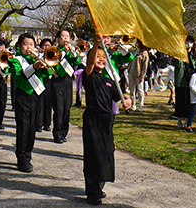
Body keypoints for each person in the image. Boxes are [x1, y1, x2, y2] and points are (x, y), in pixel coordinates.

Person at [82, 35, 132, 205]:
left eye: (104, 57)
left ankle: (99, 186)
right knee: (93, 155)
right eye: (98, 57)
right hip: (92, 120)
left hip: (106, 120)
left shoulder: (108, 80)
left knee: (105, 154)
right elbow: (89, 63)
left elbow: (119, 96)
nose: (101, 60)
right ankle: (92, 191)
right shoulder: (89, 76)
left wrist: (127, 99)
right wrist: (96, 43)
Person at [7, 32, 52, 172]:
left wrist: (45, 65)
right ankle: (21, 157)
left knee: (33, 127)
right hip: (22, 96)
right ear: (19, 46)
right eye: (25, 44)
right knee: (23, 127)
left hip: (36, 96)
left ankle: (28, 155)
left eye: (31, 44)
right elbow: (20, 75)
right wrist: (34, 66)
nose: (28, 47)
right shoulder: (15, 60)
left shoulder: (37, 59)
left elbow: (49, 74)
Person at [52, 31, 81, 143]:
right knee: (59, 108)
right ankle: (57, 133)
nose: (66, 38)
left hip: (68, 80)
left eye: (67, 36)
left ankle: (64, 132)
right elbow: (53, 61)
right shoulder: (55, 50)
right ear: (59, 38)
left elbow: (76, 60)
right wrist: (63, 50)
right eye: (63, 36)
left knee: (67, 107)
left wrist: (72, 51)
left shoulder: (70, 50)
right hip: (57, 79)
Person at [172, 35, 196, 127]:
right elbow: (175, 63)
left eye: (190, 42)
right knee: (180, 102)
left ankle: (187, 120)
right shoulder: (179, 53)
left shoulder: (194, 54)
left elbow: (195, 65)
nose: (188, 44)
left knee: (188, 103)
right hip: (180, 81)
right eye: (186, 42)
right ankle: (179, 119)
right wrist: (180, 53)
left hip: (190, 81)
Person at [36, 38, 53, 133]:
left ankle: (47, 124)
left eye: (49, 45)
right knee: (40, 103)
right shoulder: (39, 56)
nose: (46, 47)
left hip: (50, 81)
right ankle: (39, 124)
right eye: (45, 45)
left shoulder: (53, 55)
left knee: (48, 102)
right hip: (41, 80)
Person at [128, 42, 149, 112]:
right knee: (132, 90)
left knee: (140, 90)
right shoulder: (136, 50)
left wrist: (142, 75)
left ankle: (141, 105)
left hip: (138, 74)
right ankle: (133, 104)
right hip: (131, 72)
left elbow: (145, 66)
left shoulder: (145, 54)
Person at [0, 40, 10, 130]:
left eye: (3, 48)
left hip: (3, 82)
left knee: (2, 102)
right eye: (0, 48)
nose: (2, 50)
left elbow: (8, 69)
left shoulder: (7, 56)